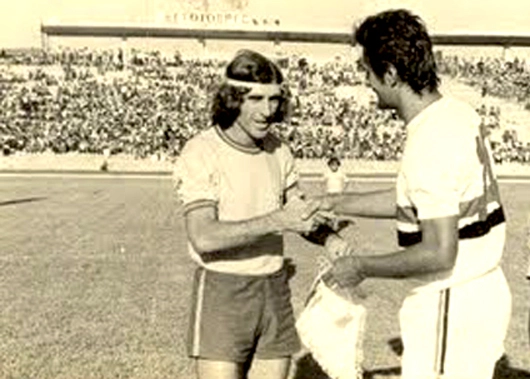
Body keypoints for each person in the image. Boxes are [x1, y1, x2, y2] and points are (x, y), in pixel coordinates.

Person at [319, 10, 512, 379]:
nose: (366, 81)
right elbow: (423, 202)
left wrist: (360, 266)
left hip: (451, 297)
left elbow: (439, 252)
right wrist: (335, 202)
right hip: (478, 292)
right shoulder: (457, 113)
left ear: (390, 72)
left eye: (367, 70)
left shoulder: (430, 141)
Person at [173, 49, 348, 379]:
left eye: (274, 100)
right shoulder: (201, 150)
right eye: (256, 99)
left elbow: (298, 213)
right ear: (232, 99)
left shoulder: (279, 149)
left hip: (273, 287)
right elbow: (204, 236)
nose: (268, 111)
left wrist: (330, 238)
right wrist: (278, 219)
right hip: (222, 289)